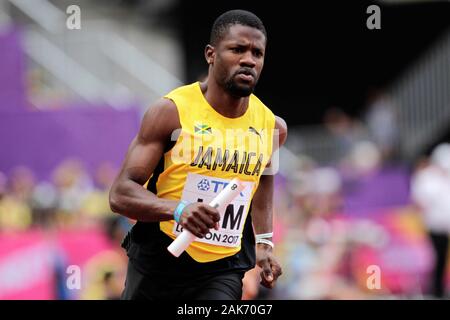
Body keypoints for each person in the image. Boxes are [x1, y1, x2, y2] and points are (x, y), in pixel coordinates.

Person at [109, 9, 287, 300]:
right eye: (237, 49)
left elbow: (263, 179)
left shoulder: (272, 127)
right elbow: (120, 194)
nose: (248, 60)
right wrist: (179, 210)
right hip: (160, 257)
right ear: (211, 54)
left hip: (222, 268)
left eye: (257, 53)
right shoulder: (171, 112)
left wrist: (265, 241)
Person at [411, 143, 450, 298]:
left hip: (445, 225)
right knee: (438, 259)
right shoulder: (426, 178)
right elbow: (420, 204)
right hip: (435, 227)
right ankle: (436, 291)